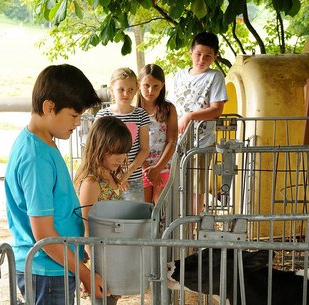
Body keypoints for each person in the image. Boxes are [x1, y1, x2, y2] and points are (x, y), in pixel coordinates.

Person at [4, 64, 107, 305]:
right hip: (47, 269)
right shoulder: (35, 155)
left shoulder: (43, 143)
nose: (76, 124)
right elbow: (44, 234)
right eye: (73, 115)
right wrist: (83, 270)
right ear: (49, 106)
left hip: (55, 267)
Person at [74, 116, 132, 305]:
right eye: (116, 152)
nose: (121, 157)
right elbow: (86, 224)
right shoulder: (91, 182)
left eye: (124, 151)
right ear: (99, 147)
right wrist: (94, 267)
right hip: (101, 256)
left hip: (114, 253)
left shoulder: (111, 176)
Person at [170, 32, 228, 213]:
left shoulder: (215, 77)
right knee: (176, 185)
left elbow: (217, 109)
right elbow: (170, 107)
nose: (202, 59)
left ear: (215, 57)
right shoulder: (179, 76)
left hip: (201, 142)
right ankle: (179, 225)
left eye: (207, 56)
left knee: (197, 188)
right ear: (190, 52)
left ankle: (192, 228)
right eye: (198, 54)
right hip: (177, 141)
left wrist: (189, 116)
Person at [95, 67, 150, 202]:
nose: (126, 93)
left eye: (131, 89)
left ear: (136, 90)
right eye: (121, 89)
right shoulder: (103, 115)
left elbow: (144, 149)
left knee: (134, 218)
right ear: (111, 90)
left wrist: (126, 173)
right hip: (106, 178)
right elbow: (98, 148)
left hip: (133, 178)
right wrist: (114, 176)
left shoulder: (141, 115)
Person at [137, 63, 179, 205]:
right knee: (144, 208)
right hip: (140, 167)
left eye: (155, 86)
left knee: (160, 209)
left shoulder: (168, 109)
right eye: (146, 85)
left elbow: (172, 141)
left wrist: (158, 168)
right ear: (139, 84)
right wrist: (147, 169)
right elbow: (132, 143)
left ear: (162, 85)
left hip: (163, 166)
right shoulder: (134, 110)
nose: (150, 90)